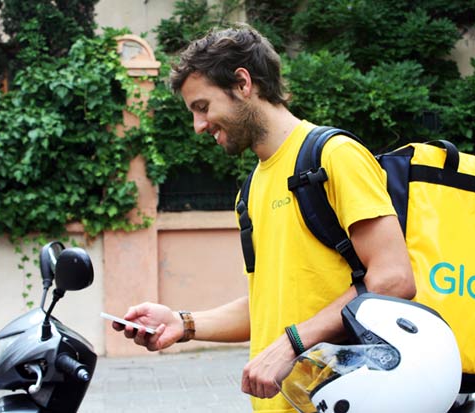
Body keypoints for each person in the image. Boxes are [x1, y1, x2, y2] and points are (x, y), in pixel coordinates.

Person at [113, 24, 416, 413]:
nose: (198, 126)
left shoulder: (334, 156)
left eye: (203, 107)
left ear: (243, 83)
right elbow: (268, 304)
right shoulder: (250, 190)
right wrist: (182, 323)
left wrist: (291, 343)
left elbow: (393, 279)